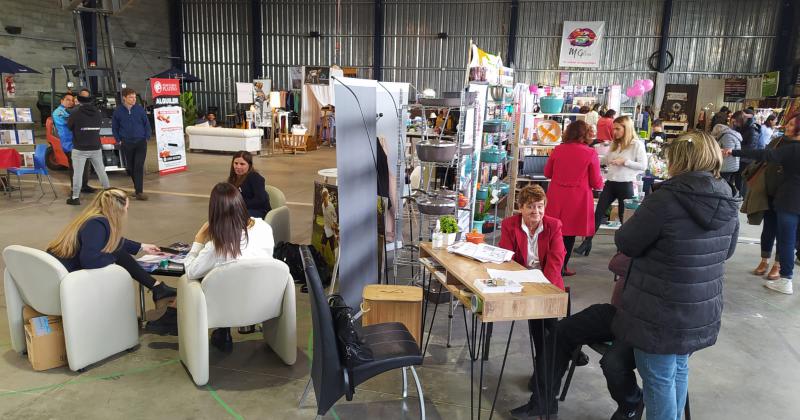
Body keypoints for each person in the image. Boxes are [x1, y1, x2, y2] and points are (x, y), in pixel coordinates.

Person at [615, 131, 739, 420]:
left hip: (660, 309)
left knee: (658, 378)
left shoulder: (665, 199)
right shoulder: (728, 197)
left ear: (677, 159)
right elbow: (728, 251)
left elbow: (627, 242)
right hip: (700, 307)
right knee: (678, 368)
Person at [509, 304, 643, 420]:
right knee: (561, 331)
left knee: (613, 363)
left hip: (647, 325)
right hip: (619, 312)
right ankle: (542, 405)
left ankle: (631, 405)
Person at [183, 182, 275, 351]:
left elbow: (190, 271)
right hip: (266, 302)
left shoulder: (217, 245)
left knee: (200, 279)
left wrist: (198, 240)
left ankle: (222, 332)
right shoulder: (265, 228)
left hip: (225, 309)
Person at [47, 188, 177, 303]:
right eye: (127, 208)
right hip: (65, 280)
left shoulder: (94, 218)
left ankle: (157, 288)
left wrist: (142, 246)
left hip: (54, 274)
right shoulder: (97, 224)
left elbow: (110, 240)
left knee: (115, 250)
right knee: (115, 252)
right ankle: (158, 288)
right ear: (118, 209)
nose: (126, 212)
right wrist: (114, 259)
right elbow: (90, 261)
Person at [726, 112, 800, 294]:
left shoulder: (793, 148)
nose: (786, 127)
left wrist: (732, 151)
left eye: (791, 124)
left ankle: (786, 279)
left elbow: (764, 154)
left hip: (789, 200)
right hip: (789, 200)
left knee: (787, 240)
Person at [574, 116, 647, 257]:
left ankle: (623, 248)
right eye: (613, 128)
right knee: (598, 213)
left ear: (627, 129)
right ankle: (587, 242)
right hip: (611, 182)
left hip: (625, 183)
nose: (614, 131)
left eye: (618, 129)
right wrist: (594, 156)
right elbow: (606, 160)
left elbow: (643, 166)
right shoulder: (615, 144)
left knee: (623, 217)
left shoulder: (636, 145)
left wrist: (625, 162)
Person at [543, 120, 604, 276]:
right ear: (585, 134)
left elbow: (547, 173)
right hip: (578, 198)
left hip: (556, 196)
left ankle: (550, 263)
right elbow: (596, 182)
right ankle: (562, 266)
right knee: (569, 234)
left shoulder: (558, 149)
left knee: (554, 231)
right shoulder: (590, 153)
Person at [66, 89, 111, 205]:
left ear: (79, 100)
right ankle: (108, 193)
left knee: (78, 173)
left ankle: (75, 197)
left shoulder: (75, 112)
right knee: (101, 171)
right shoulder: (97, 112)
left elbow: (70, 126)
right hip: (95, 146)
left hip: (80, 148)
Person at [112, 87, 151, 201]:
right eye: (131, 97)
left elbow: (146, 123)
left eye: (134, 97)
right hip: (127, 143)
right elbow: (115, 127)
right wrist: (118, 139)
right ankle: (137, 189)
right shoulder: (118, 111)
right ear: (124, 98)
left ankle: (139, 192)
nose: (134, 99)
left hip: (140, 142)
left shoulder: (139, 109)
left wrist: (147, 136)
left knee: (138, 166)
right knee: (131, 167)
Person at [53, 93, 94, 193]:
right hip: (69, 143)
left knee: (85, 164)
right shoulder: (58, 112)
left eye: (72, 100)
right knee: (75, 167)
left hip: (80, 142)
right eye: (68, 100)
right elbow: (70, 122)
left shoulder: (75, 110)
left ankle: (84, 185)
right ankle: (74, 188)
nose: (70, 102)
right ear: (62, 101)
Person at [228, 151, 271, 219]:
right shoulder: (232, 179)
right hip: (242, 209)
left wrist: (239, 205)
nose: (238, 166)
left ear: (249, 165)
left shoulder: (255, 177)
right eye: (236, 163)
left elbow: (260, 200)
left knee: (236, 217)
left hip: (260, 210)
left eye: (242, 164)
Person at [712, 118, 742, 197]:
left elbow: (728, 151)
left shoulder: (727, 136)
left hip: (727, 165)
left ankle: (725, 198)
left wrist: (715, 152)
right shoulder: (731, 134)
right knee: (729, 184)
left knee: (724, 185)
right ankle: (728, 198)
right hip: (732, 164)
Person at [321, 187, 338, 257]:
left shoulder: (331, 206)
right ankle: (322, 258)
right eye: (324, 195)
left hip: (331, 229)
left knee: (332, 248)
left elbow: (335, 216)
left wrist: (334, 224)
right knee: (322, 245)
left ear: (327, 196)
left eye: (326, 195)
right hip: (326, 228)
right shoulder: (322, 205)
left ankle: (335, 260)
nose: (325, 197)